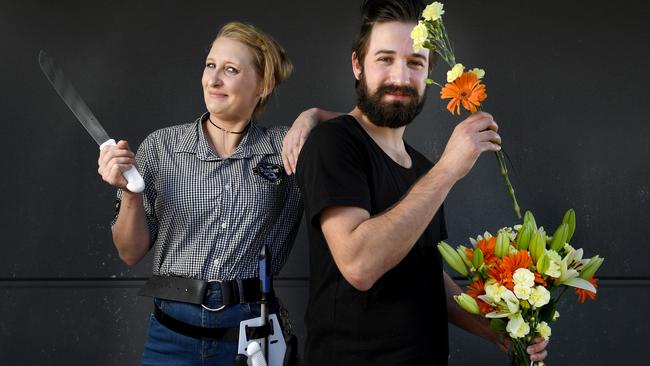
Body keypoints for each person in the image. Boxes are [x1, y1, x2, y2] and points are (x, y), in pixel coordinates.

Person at [295, 1, 549, 365]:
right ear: (357, 65)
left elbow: (425, 273)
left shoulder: (423, 169)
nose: (400, 77)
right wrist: (448, 171)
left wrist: (498, 331)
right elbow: (359, 265)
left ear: (429, 71)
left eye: (414, 63)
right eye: (384, 59)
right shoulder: (334, 143)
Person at [97, 21, 333, 365]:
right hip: (170, 337)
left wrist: (312, 117)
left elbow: (367, 126)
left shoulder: (287, 148)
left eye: (231, 70)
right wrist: (129, 193)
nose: (213, 79)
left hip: (252, 338)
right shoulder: (161, 147)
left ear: (263, 85)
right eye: (210, 66)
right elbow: (130, 253)